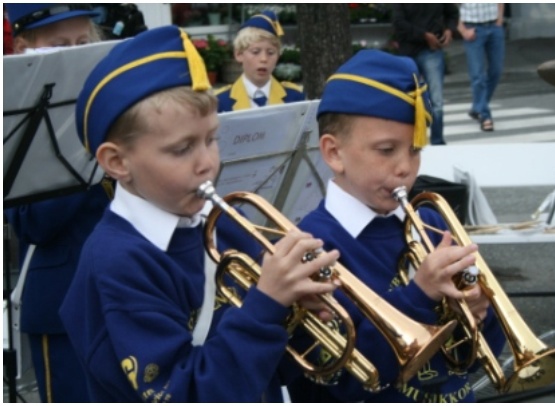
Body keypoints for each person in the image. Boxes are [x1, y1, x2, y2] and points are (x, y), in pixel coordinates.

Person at [58, 25, 340, 402]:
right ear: (117, 162)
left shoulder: (224, 226)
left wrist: (296, 314)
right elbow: (187, 393)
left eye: (212, 139)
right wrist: (267, 305)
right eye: (182, 149)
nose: (208, 163)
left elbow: (271, 368)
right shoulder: (118, 262)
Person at [286, 50, 506, 402]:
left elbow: (480, 358)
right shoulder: (312, 249)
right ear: (334, 153)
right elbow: (336, 383)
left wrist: (479, 314)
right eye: (387, 150)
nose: (405, 167)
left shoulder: (431, 224)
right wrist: (419, 297)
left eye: (415, 150)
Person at [3, 4, 106, 402]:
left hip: (128, 291)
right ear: (23, 48)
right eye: (60, 45)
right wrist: (84, 150)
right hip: (63, 302)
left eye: (82, 43)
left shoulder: (107, 98)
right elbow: (32, 224)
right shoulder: (14, 112)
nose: (75, 54)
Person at [392, 4, 460, 146]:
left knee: (436, 99)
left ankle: (437, 141)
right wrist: (424, 35)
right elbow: (399, 22)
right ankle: (409, 140)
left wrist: (449, 30)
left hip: (431, 49)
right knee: (408, 99)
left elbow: (452, 13)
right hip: (409, 50)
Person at [215, 10, 305, 113]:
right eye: (255, 52)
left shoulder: (294, 97)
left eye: (271, 53)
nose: (264, 59)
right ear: (239, 54)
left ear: (278, 56)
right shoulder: (221, 101)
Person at [457, 3, 505, 132]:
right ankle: (485, 116)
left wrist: (500, 20)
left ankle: (477, 107)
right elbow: (451, 7)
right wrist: (463, 30)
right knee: (477, 75)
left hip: (494, 25)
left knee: (496, 71)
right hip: (472, 27)